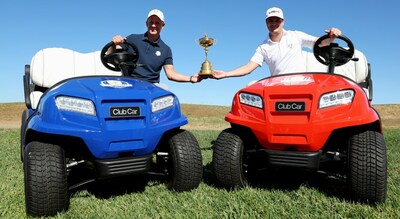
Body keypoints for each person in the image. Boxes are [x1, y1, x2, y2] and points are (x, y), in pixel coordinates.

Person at [213, 7, 342, 79]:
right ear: (266, 23)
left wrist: (331, 37)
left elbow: (319, 43)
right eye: (270, 21)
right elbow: (248, 68)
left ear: (283, 22)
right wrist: (226, 73)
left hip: (301, 84)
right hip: (277, 86)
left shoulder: (296, 36)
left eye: (277, 20)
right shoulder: (263, 48)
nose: (273, 23)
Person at [108, 9, 202, 84]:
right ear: (146, 24)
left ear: (163, 25)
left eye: (157, 23)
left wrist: (191, 78)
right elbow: (110, 55)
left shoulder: (166, 49)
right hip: (128, 83)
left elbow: (171, 74)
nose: (153, 25)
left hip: (152, 86)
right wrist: (114, 43)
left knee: (166, 94)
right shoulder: (132, 39)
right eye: (151, 22)